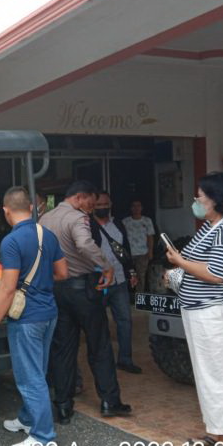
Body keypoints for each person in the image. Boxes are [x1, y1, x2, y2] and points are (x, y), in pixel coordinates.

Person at [164, 172, 223, 446]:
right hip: (200, 310)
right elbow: (196, 267)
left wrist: (180, 262)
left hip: (217, 311)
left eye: (199, 195)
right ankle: (215, 432)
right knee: (206, 373)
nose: (196, 201)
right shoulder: (210, 226)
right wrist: (176, 272)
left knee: (220, 373)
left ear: (216, 198)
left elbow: (216, 273)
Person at [0, 187, 67, 446]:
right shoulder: (48, 235)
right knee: (38, 371)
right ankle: (28, 418)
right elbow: (62, 273)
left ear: (6, 211)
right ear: (31, 208)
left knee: (29, 376)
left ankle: (43, 437)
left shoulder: (11, 242)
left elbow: (8, 289)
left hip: (26, 319)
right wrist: (40, 284)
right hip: (49, 313)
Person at [40, 181, 131, 423]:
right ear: (79, 198)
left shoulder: (44, 219)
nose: (92, 208)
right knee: (99, 345)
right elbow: (83, 243)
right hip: (83, 289)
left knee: (63, 348)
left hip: (57, 289)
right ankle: (110, 401)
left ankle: (63, 405)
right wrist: (106, 264)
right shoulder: (77, 218)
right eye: (91, 202)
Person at [91, 192, 142, 374]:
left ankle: (125, 359)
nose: (102, 207)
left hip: (119, 280)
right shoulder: (87, 226)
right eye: (98, 205)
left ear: (110, 203)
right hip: (99, 282)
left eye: (105, 204)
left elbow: (125, 251)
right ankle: (102, 362)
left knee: (125, 321)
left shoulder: (118, 224)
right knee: (98, 323)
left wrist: (131, 272)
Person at [122, 200, 156, 292]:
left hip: (143, 253)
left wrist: (150, 251)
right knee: (130, 274)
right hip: (129, 254)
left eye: (138, 206)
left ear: (141, 208)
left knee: (141, 275)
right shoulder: (125, 221)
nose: (136, 208)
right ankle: (129, 295)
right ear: (131, 208)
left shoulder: (147, 220)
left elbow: (150, 237)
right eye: (134, 206)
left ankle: (139, 296)